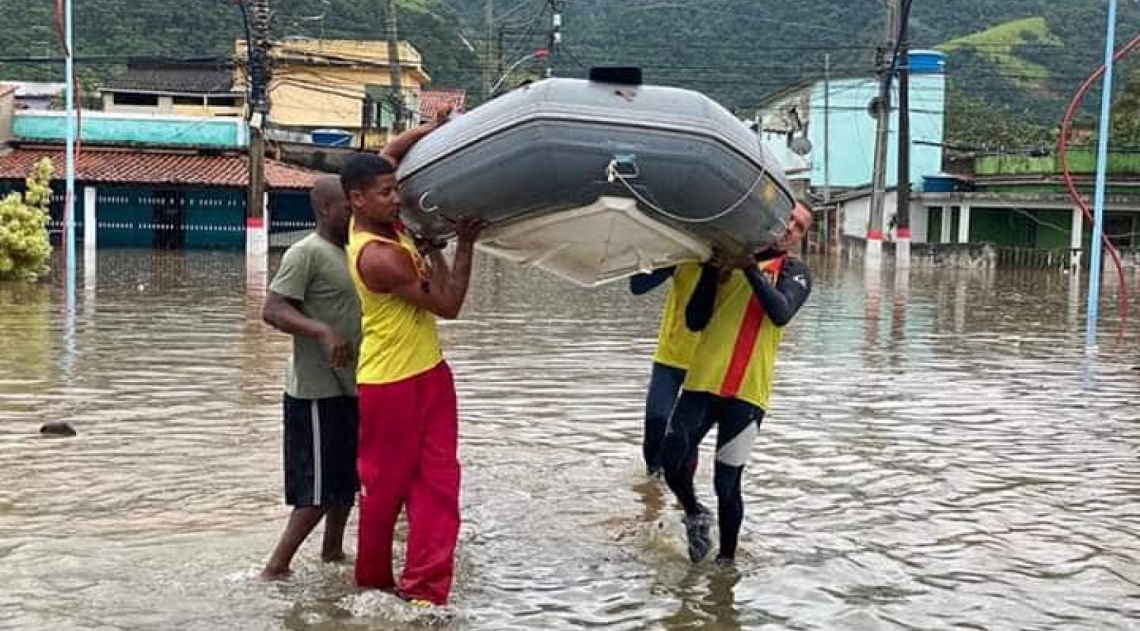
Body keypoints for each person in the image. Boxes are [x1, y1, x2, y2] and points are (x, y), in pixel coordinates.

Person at [341, 151, 484, 607]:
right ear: (356, 200)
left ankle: (425, 594)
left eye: (396, 188)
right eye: (387, 193)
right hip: (391, 384)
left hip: (429, 372)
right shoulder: (379, 255)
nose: (397, 198)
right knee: (384, 494)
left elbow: (389, 153)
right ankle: (373, 584)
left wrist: (430, 129)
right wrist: (465, 244)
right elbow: (449, 305)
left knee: (440, 485)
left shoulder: (387, 223)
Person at [660, 200, 814, 566]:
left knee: (727, 482)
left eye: (800, 227)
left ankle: (725, 564)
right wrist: (716, 272)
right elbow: (696, 320)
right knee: (671, 458)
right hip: (702, 382)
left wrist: (750, 269)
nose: (790, 227)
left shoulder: (795, 270)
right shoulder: (724, 259)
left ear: (800, 239)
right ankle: (696, 513)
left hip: (748, 395)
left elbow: (780, 313)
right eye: (788, 218)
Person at [260, 175, 360, 580]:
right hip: (315, 390)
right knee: (318, 491)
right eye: (346, 205)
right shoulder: (306, 253)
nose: (353, 210)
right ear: (324, 208)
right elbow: (273, 309)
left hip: (353, 385)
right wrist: (321, 330)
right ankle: (275, 568)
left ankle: (332, 553)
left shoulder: (355, 252)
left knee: (345, 483)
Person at [628, 262, 703, 477]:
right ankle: (652, 496)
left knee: (686, 436)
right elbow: (638, 285)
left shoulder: (730, 261)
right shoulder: (681, 252)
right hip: (669, 356)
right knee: (655, 424)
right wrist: (671, 261)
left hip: (706, 361)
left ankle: (685, 497)